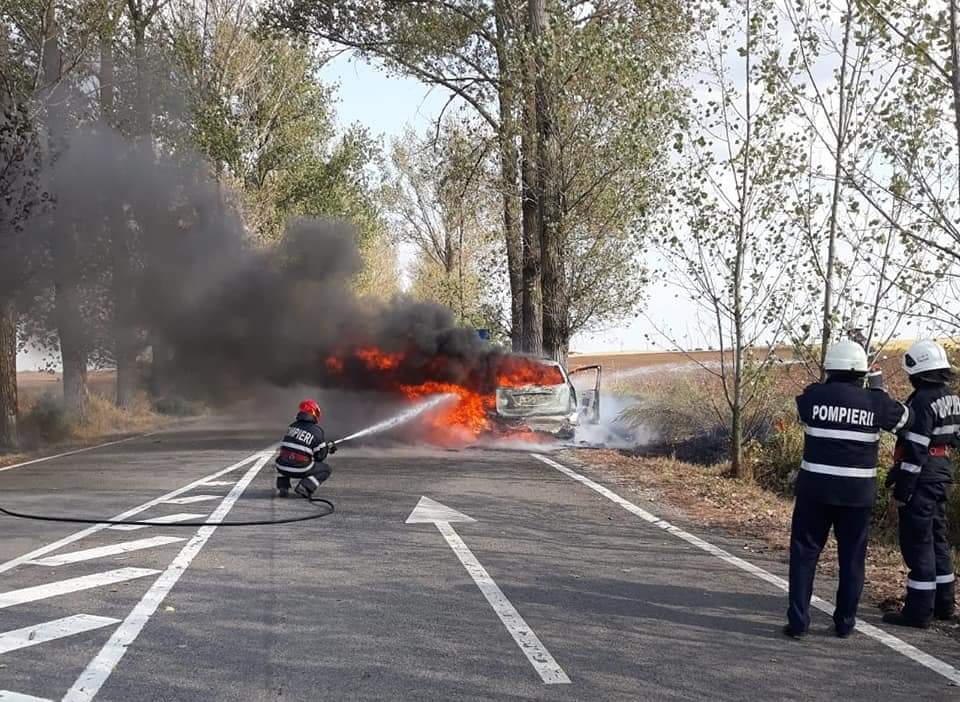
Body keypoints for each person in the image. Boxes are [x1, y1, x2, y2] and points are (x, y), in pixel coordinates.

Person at [785, 340, 910, 639]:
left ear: (830, 368)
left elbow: (802, 409)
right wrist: (878, 389)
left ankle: (799, 623)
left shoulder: (813, 396)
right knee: (852, 559)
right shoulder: (875, 401)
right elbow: (907, 419)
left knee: (804, 555)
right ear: (862, 372)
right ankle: (844, 623)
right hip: (857, 496)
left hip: (814, 491)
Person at [883, 340, 958, 628]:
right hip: (942, 475)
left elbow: (915, 451)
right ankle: (944, 604)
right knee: (938, 539)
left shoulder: (922, 402)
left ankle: (918, 611)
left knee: (918, 543)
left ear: (919, 371)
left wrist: (903, 489)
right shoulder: (951, 398)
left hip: (922, 477)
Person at [275, 399, 336, 499]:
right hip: (300, 469)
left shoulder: (292, 426)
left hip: (281, 467)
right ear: (314, 413)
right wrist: (327, 449)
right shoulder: (317, 431)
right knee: (326, 469)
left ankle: (283, 487)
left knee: (285, 458)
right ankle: (305, 487)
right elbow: (319, 457)